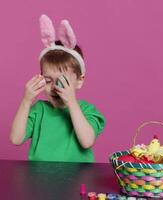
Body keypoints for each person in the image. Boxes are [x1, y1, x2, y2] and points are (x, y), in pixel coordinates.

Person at [9, 15, 106, 162]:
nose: (54, 88)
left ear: (79, 81)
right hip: (40, 179)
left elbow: (87, 141)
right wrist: (26, 101)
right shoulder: (39, 110)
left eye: (61, 81)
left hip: (76, 181)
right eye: (48, 81)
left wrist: (71, 102)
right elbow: (15, 139)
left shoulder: (87, 111)